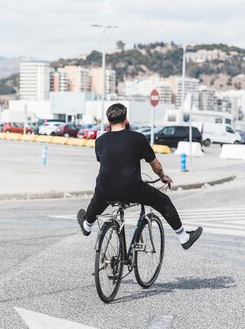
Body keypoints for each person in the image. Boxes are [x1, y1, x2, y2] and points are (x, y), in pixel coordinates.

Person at [77, 103, 202, 250]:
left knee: (100, 197)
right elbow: (155, 165)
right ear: (126, 119)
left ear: (108, 121)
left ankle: (87, 225)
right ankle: (183, 237)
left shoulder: (100, 141)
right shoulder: (138, 138)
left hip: (105, 189)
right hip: (132, 190)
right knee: (164, 202)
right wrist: (162, 176)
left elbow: (106, 161)